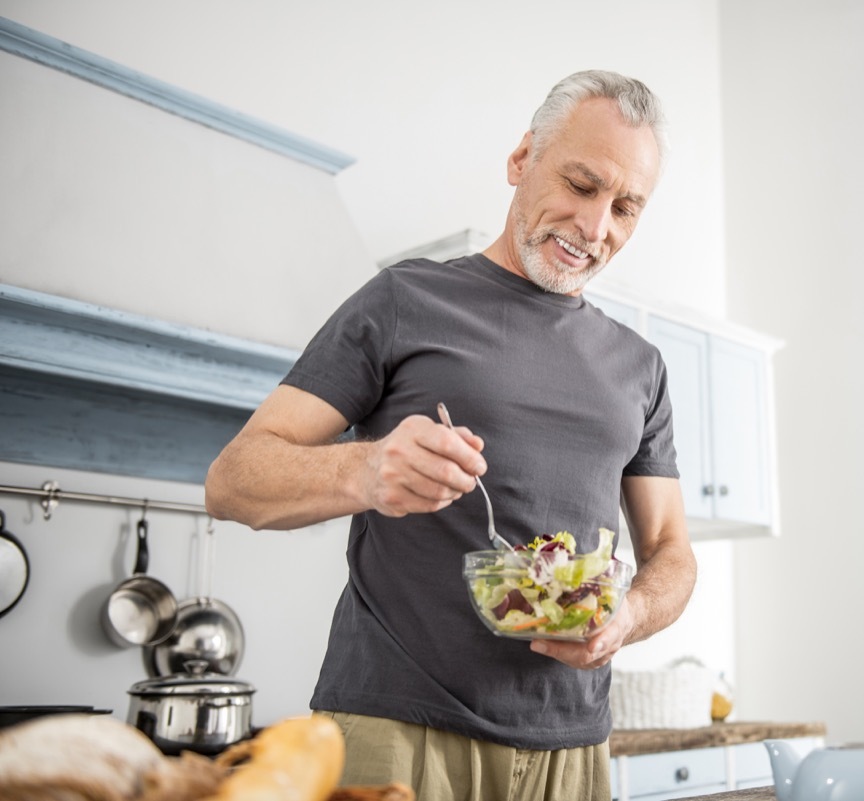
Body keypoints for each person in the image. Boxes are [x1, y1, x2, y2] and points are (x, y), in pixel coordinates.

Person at [204, 69, 697, 801]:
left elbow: (670, 553)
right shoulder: (405, 300)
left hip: (574, 746)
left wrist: (628, 615)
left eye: (626, 206)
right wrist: (365, 470)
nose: (596, 228)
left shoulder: (641, 365)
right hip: (398, 729)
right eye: (582, 184)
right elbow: (233, 480)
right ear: (521, 160)